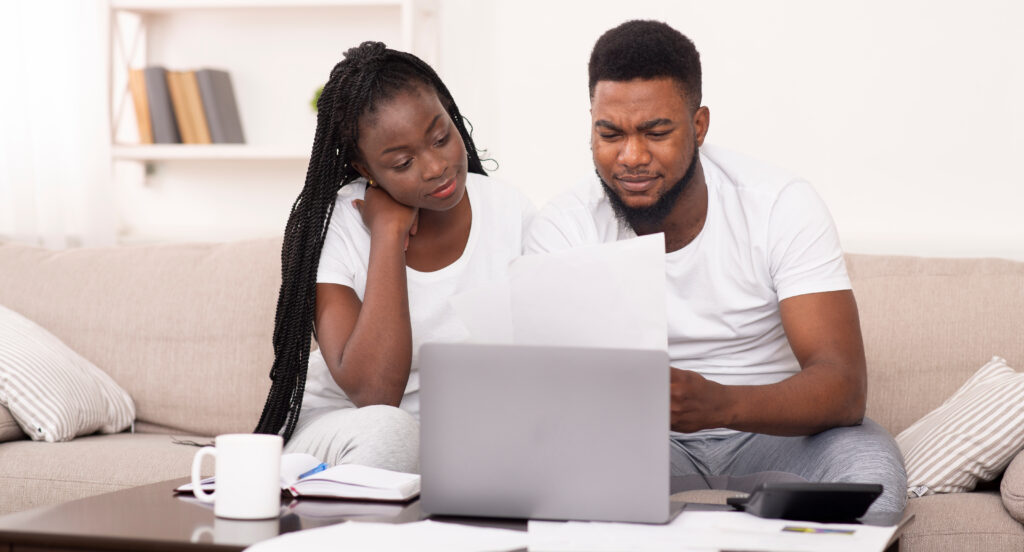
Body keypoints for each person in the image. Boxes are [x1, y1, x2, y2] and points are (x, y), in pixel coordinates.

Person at [525, 20, 907, 513]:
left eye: (656, 132)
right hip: (638, 442)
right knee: (546, 482)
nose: (632, 157)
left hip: (777, 434)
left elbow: (844, 388)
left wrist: (718, 404)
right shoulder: (564, 228)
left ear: (699, 125)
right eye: (610, 133)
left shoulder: (779, 205)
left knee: (869, 480)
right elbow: (548, 394)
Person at [254, 42, 533, 474]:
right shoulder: (339, 225)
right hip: (345, 433)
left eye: (441, 137)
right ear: (365, 169)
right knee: (391, 430)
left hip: (459, 439)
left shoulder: (510, 211)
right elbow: (374, 392)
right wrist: (387, 234)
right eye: (403, 162)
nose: (435, 166)